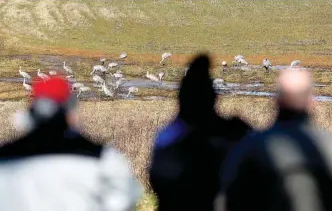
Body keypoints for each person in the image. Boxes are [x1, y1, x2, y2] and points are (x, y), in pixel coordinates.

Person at [0, 76, 142, 211]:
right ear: (71, 111)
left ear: (32, 109)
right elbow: (124, 199)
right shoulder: (101, 158)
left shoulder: (5, 159)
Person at [217, 69, 332, 211]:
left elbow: (227, 198)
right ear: (311, 102)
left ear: (277, 101)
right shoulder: (328, 145)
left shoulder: (251, 147)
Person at [149, 54, 252, 211]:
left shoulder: (168, 140)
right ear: (214, 99)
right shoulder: (235, 135)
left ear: (181, 101)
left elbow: (157, 179)